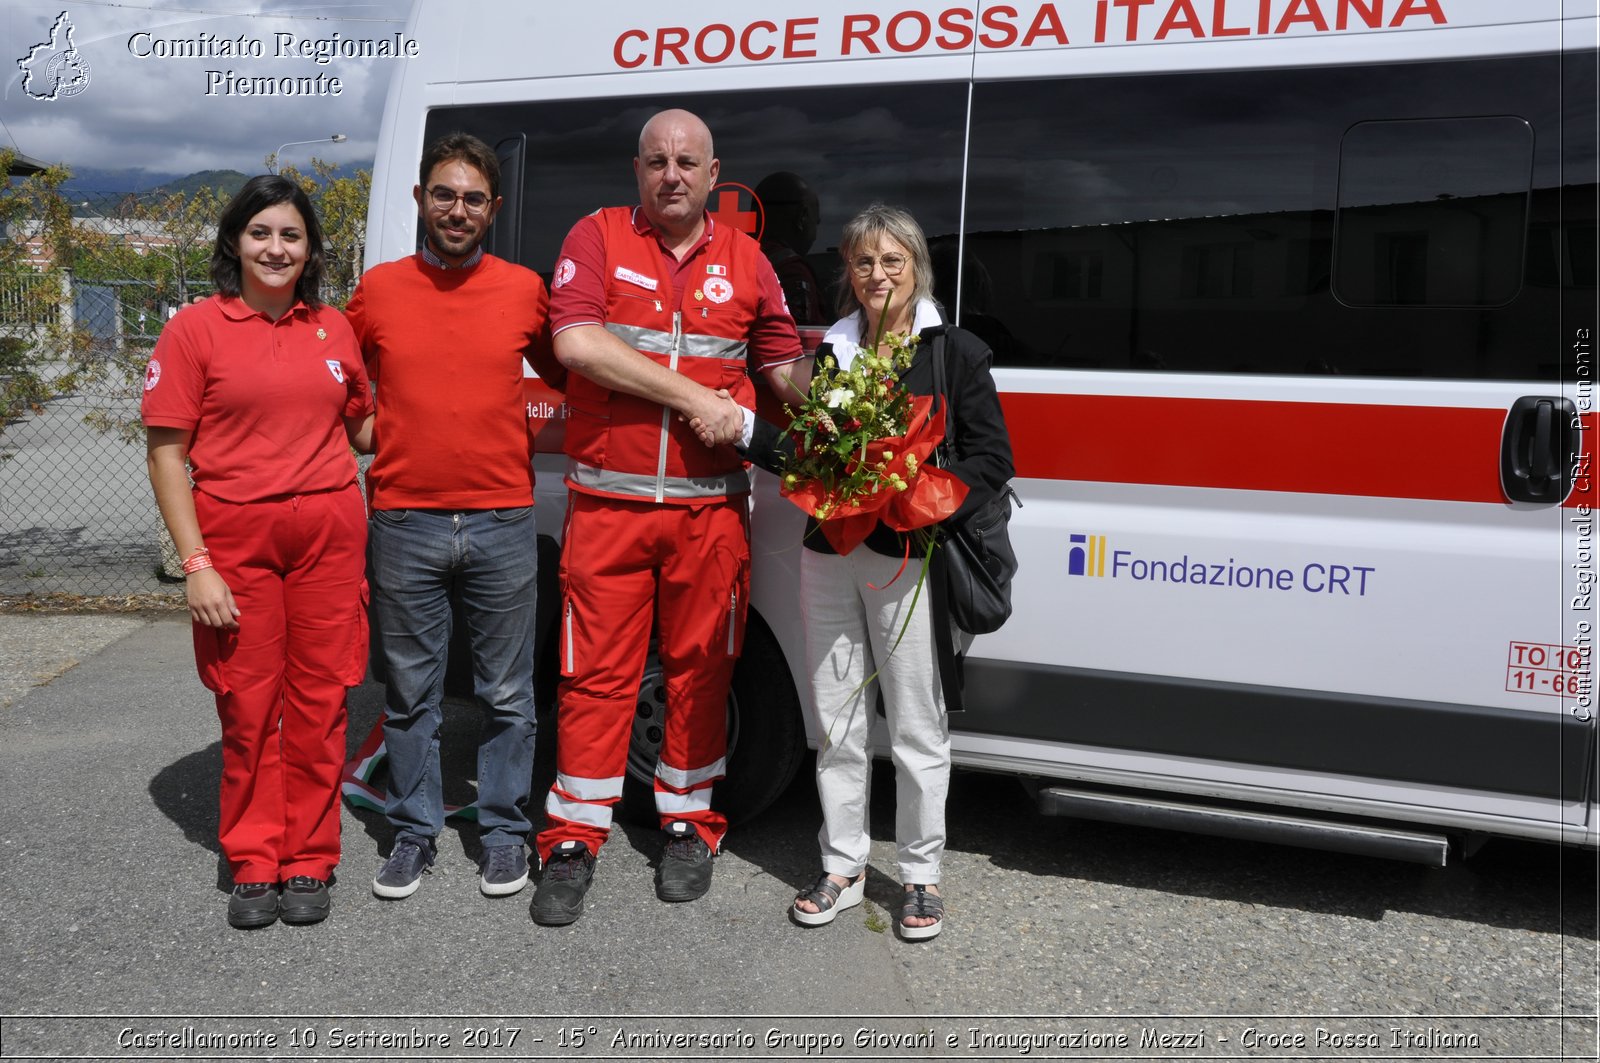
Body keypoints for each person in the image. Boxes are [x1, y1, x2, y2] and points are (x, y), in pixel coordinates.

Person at [529, 108, 808, 926]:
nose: (672, 174)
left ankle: (689, 826)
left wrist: (845, 417)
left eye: (688, 161)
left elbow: (783, 363)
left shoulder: (749, 259)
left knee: (702, 675)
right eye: (657, 161)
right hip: (609, 507)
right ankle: (574, 838)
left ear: (716, 175)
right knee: (594, 678)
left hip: (709, 516)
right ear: (637, 171)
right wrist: (692, 395)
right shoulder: (596, 236)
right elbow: (577, 343)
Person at [735, 205, 1013, 940]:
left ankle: (921, 875)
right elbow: (812, 452)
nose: (878, 275)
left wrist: (920, 493)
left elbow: (992, 462)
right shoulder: (833, 353)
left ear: (916, 266)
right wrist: (749, 435)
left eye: (893, 260)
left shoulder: (954, 352)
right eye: (863, 262)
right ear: (848, 274)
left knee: (918, 725)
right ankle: (844, 865)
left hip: (907, 555)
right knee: (836, 721)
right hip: (829, 553)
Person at [142, 175, 374, 930]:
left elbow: (366, 429)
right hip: (237, 540)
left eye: (291, 236)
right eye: (261, 233)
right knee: (247, 706)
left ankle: (309, 853)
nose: (276, 248)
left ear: (311, 251)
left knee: (320, 701)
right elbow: (167, 454)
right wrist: (196, 562)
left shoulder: (334, 329)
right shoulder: (196, 330)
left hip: (329, 539)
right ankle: (252, 855)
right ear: (236, 243)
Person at [344, 132, 558, 902]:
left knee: (508, 693)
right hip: (405, 520)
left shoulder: (524, 289)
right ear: (420, 200)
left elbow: (575, 368)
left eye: (472, 198)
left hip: (502, 518)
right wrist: (371, 431)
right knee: (411, 696)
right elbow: (338, 380)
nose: (457, 209)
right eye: (444, 194)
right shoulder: (378, 291)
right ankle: (412, 833)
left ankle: (504, 832)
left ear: (493, 209)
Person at [753, 171, 826, 326]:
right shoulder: (792, 270)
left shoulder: (734, 257)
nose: (815, 236)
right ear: (803, 217)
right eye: (816, 222)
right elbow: (805, 333)